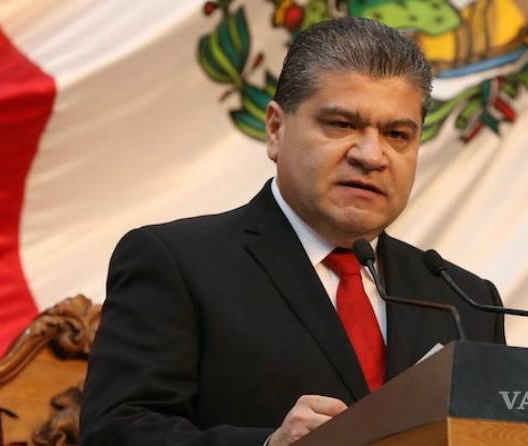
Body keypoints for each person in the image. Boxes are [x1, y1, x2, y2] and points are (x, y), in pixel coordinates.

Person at [80, 17, 505, 446]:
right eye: (341, 124)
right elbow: (115, 433)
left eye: (397, 134)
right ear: (275, 129)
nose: (371, 155)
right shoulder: (177, 263)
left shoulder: (467, 302)